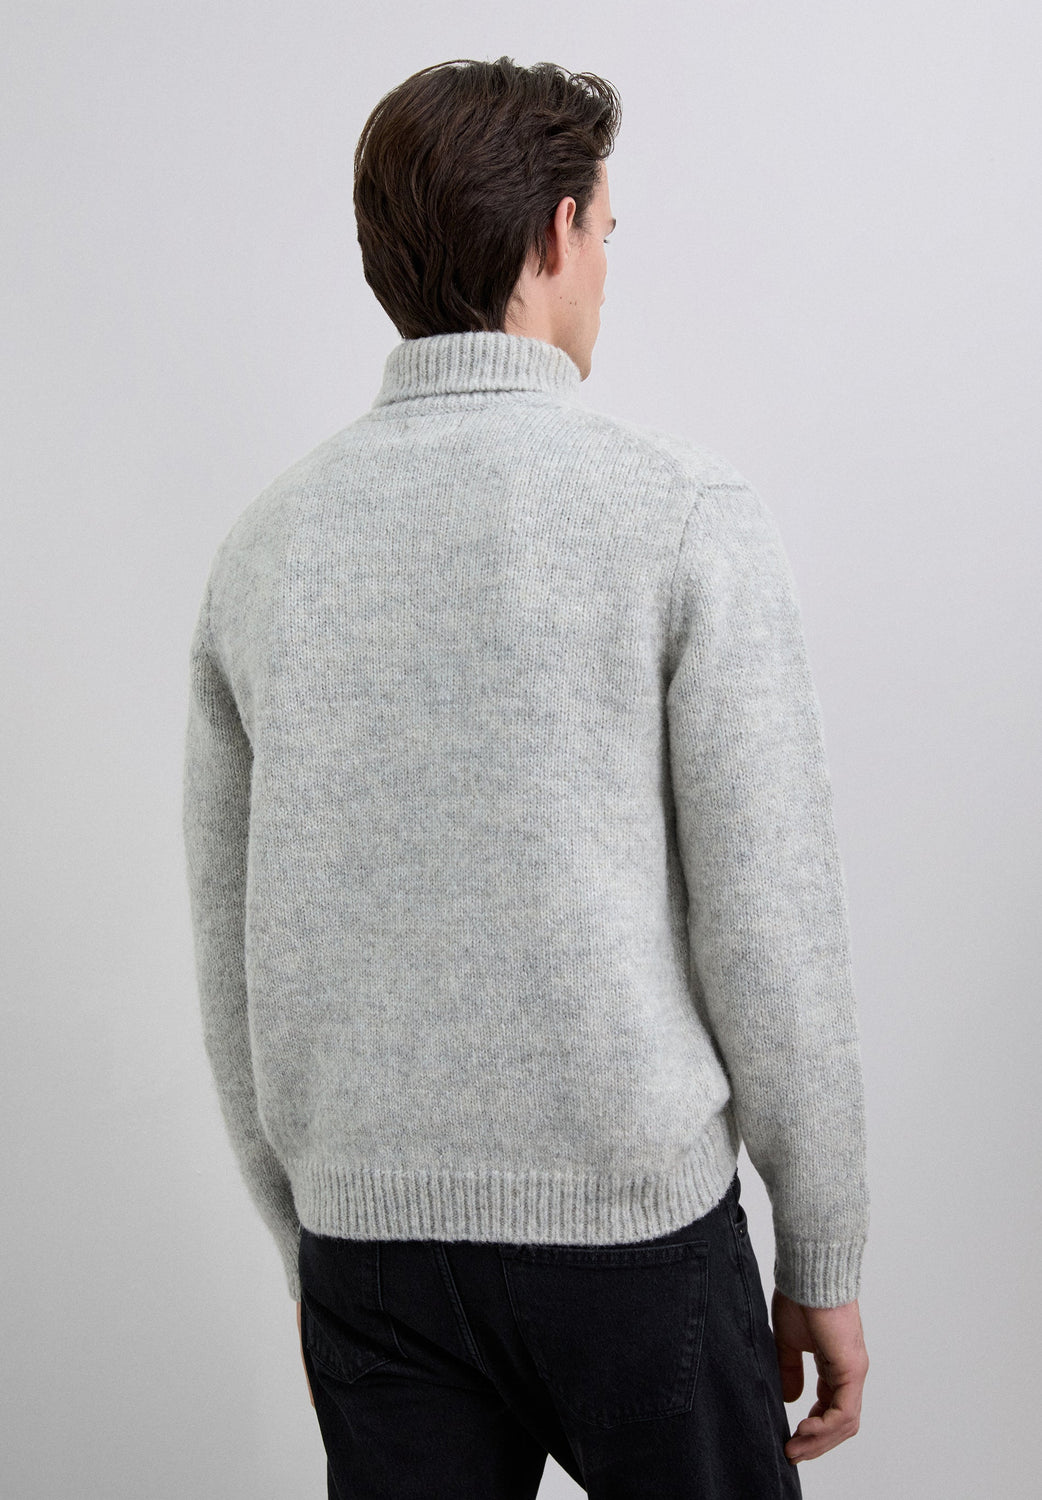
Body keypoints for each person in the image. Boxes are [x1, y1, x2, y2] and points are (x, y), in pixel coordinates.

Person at [182, 55, 870, 1498]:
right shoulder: (683, 515)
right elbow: (769, 924)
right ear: (556, 232)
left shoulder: (264, 549)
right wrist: (821, 1244)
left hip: (372, 1252)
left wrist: (310, 1235)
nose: (607, 266)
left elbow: (234, 945)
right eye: (606, 230)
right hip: (634, 1236)